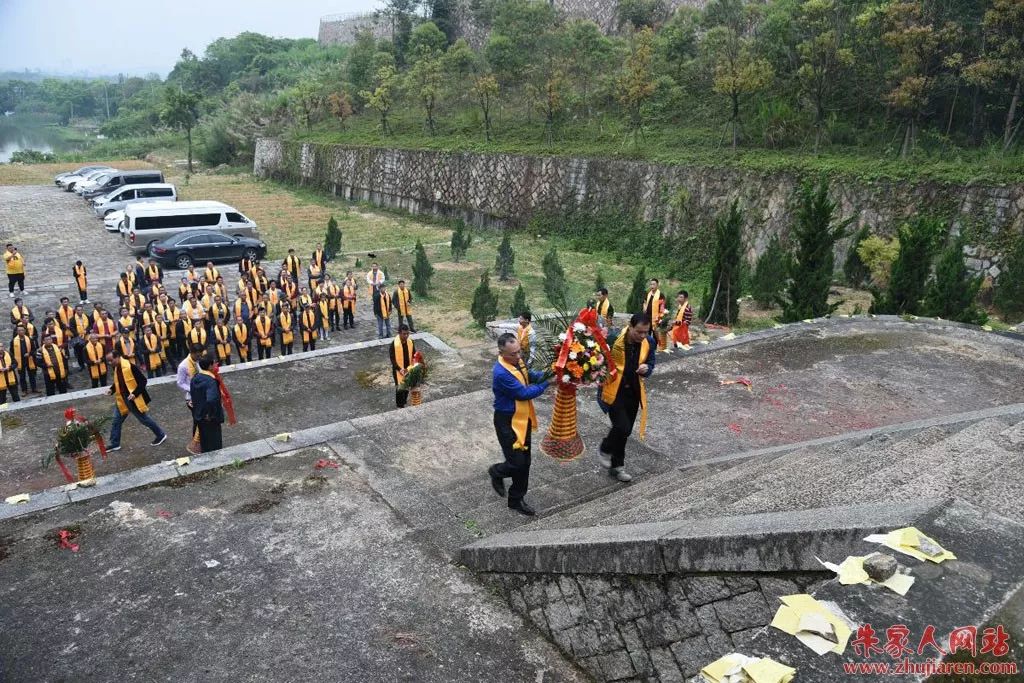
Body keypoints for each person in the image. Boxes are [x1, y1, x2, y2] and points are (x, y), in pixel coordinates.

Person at [489, 332, 550, 516]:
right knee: (516, 463)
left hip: (523, 418)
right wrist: (548, 383)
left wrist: (549, 373)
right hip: (507, 422)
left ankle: (516, 499)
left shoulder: (517, 362)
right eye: (513, 354)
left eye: (519, 352)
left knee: (526, 462)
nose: (518, 357)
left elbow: (529, 375)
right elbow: (522, 393)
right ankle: (496, 471)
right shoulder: (501, 373)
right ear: (501, 353)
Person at [598, 314, 657, 483]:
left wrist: (647, 368)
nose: (642, 336)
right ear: (630, 327)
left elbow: (651, 362)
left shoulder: (649, 343)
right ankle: (605, 448)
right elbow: (597, 358)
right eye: (639, 332)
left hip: (633, 391)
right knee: (621, 426)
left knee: (625, 431)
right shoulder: (614, 338)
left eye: (646, 332)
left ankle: (617, 467)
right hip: (613, 390)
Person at [107, 347, 167, 451]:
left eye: (111, 360)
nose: (109, 363)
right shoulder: (117, 367)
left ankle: (160, 434)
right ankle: (115, 443)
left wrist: (135, 393)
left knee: (144, 419)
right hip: (122, 399)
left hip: (131, 399)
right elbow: (119, 381)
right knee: (116, 420)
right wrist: (112, 389)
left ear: (117, 357)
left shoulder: (130, 366)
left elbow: (143, 381)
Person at [190, 356, 225, 452]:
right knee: (214, 441)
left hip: (199, 413)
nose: (216, 365)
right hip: (209, 417)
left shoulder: (195, 377)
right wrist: (210, 414)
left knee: (204, 439)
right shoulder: (210, 381)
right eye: (214, 363)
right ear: (210, 366)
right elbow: (211, 399)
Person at [390, 324, 416, 408]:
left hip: (408, 369)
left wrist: (414, 366)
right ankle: (399, 405)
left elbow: (413, 354)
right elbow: (392, 359)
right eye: (404, 334)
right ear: (399, 333)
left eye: (407, 333)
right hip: (398, 370)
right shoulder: (394, 344)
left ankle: (404, 401)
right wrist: (399, 369)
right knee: (400, 388)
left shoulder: (410, 342)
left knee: (407, 386)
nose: (406, 336)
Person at [10, 324, 38, 394]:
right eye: (19, 330)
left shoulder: (29, 339)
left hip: (29, 360)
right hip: (20, 361)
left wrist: (29, 354)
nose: (21, 331)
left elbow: (34, 350)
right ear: (17, 332)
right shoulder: (13, 341)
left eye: (22, 330)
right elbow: (11, 352)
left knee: (32, 375)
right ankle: (24, 390)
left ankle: (34, 388)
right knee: (22, 377)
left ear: (25, 331)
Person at [643, 278, 668, 352]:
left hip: (655, 318)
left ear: (657, 285)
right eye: (651, 284)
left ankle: (653, 349)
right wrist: (644, 308)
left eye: (654, 284)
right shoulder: (648, 293)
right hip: (647, 317)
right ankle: (646, 348)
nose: (652, 286)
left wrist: (660, 317)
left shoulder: (660, 295)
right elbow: (644, 302)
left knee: (655, 334)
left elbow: (662, 307)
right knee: (647, 332)